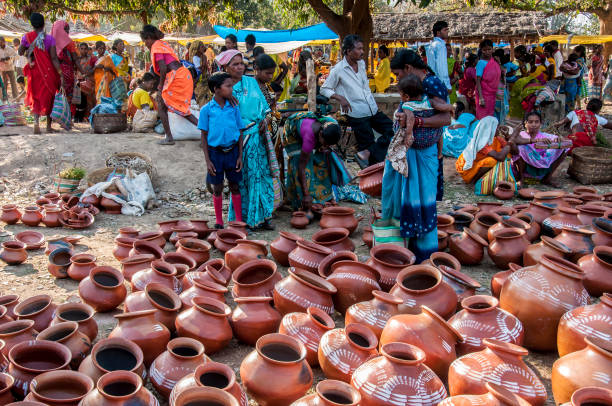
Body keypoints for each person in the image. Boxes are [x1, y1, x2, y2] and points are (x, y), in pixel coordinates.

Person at [383, 49, 451, 261]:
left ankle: (422, 253)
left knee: (422, 198)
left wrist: (416, 122)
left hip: (423, 153)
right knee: (403, 196)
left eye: (397, 75)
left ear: (409, 69)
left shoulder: (431, 84)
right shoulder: (417, 87)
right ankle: (402, 248)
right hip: (410, 153)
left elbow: (446, 119)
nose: (397, 79)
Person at [217, 49, 276, 230]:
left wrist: (265, 120)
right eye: (235, 64)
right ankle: (245, 219)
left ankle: (264, 216)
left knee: (262, 176)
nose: (240, 67)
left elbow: (266, 109)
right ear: (225, 67)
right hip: (238, 141)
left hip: (257, 139)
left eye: (241, 63)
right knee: (242, 180)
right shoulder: (224, 88)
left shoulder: (251, 82)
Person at [320, 34, 394, 167]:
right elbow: (324, 89)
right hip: (356, 113)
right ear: (348, 51)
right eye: (359, 49)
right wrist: (340, 98)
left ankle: (366, 153)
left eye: (362, 48)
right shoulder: (338, 70)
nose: (362, 52)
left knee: (394, 130)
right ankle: (372, 177)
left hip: (372, 109)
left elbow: (363, 86)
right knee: (368, 142)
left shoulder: (361, 64)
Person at [199, 71, 245, 229]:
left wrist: (240, 155)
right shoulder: (206, 110)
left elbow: (240, 132)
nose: (232, 89)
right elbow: (204, 136)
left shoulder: (234, 107)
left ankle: (238, 221)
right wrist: (208, 160)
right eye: (228, 86)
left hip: (232, 152)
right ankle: (219, 221)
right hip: (215, 154)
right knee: (217, 188)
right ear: (216, 89)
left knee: (235, 186)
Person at [140, 24, 198, 145]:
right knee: (175, 107)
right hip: (181, 75)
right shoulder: (162, 44)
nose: (145, 44)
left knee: (165, 104)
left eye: (145, 40)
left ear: (149, 37)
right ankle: (205, 133)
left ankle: (170, 137)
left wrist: (160, 87)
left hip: (177, 77)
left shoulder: (156, 46)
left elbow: (162, 68)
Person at [282, 111, 342, 213]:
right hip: (292, 133)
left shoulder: (332, 125)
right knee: (302, 165)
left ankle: (323, 197)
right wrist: (306, 195)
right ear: (320, 134)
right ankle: (301, 200)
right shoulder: (309, 138)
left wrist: (325, 147)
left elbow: (326, 146)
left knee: (321, 159)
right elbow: (301, 167)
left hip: (310, 130)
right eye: (326, 143)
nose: (327, 146)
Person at [18, 12, 63, 134]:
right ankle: (48, 126)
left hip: (34, 72)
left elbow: (20, 52)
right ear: (43, 24)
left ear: (32, 24)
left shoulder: (26, 37)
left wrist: (27, 47)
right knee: (50, 96)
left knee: (36, 97)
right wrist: (60, 73)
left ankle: (36, 123)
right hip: (49, 72)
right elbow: (54, 58)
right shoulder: (50, 39)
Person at [253, 54, 283, 207]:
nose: (271, 76)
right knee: (261, 169)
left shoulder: (266, 86)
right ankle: (262, 204)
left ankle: (270, 202)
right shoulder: (252, 87)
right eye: (268, 73)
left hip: (271, 132)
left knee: (270, 168)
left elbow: (272, 107)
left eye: (272, 73)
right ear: (256, 69)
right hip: (259, 134)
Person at [511, 111, 569, 187]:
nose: (534, 125)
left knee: (562, 148)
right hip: (525, 167)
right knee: (520, 148)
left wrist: (559, 139)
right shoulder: (521, 135)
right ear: (525, 123)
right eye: (530, 122)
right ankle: (521, 179)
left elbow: (562, 140)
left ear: (540, 123)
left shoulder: (545, 136)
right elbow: (512, 141)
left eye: (536, 122)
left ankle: (547, 178)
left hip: (542, 167)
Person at [51, 21, 87, 116]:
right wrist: (83, 72)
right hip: (67, 72)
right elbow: (75, 59)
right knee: (67, 95)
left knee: (55, 94)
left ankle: (55, 116)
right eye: (66, 29)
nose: (68, 32)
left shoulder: (50, 41)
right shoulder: (69, 42)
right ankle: (66, 117)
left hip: (52, 72)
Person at [475, 39, 501, 119]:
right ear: (481, 50)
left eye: (489, 49)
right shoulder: (480, 63)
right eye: (484, 50)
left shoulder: (495, 62)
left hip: (492, 95)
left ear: (492, 49)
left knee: (490, 118)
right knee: (483, 119)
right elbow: (478, 81)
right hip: (484, 95)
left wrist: (499, 63)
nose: (487, 52)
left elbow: (500, 75)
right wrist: (481, 98)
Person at [426, 21, 451, 91]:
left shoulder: (432, 45)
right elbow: (441, 67)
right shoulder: (440, 45)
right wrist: (447, 85)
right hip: (440, 83)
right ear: (438, 32)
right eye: (445, 30)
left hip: (433, 81)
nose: (447, 31)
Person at [190, 40, 211, 106]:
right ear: (197, 48)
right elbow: (199, 71)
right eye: (202, 47)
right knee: (201, 100)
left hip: (204, 82)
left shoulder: (202, 57)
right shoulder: (195, 58)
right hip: (199, 83)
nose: (204, 48)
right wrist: (204, 62)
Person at [0, 36, 18, 101]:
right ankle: (4, 97)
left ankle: (15, 97)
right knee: (4, 83)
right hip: (2, 69)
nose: (0, 44)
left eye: (1, 42)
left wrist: (10, 57)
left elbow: (16, 56)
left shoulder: (10, 49)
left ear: (4, 42)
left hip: (10, 68)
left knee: (13, 82)